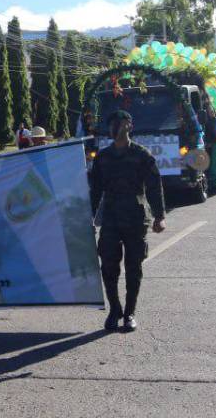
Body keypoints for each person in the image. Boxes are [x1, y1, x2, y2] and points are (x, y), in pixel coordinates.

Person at [87, 110, 166, 333]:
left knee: (134, 267)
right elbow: (95, 191)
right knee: (108, 266)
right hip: (110, 217)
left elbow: (153, 186)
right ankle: (115, 310)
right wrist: (89, 218)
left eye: (119, 123)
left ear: (129, 126)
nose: (114, 128)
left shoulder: (142, 155)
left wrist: (159, 216)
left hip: (135, 217)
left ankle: (130, 312)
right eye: (111, 123)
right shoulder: (102, 156)